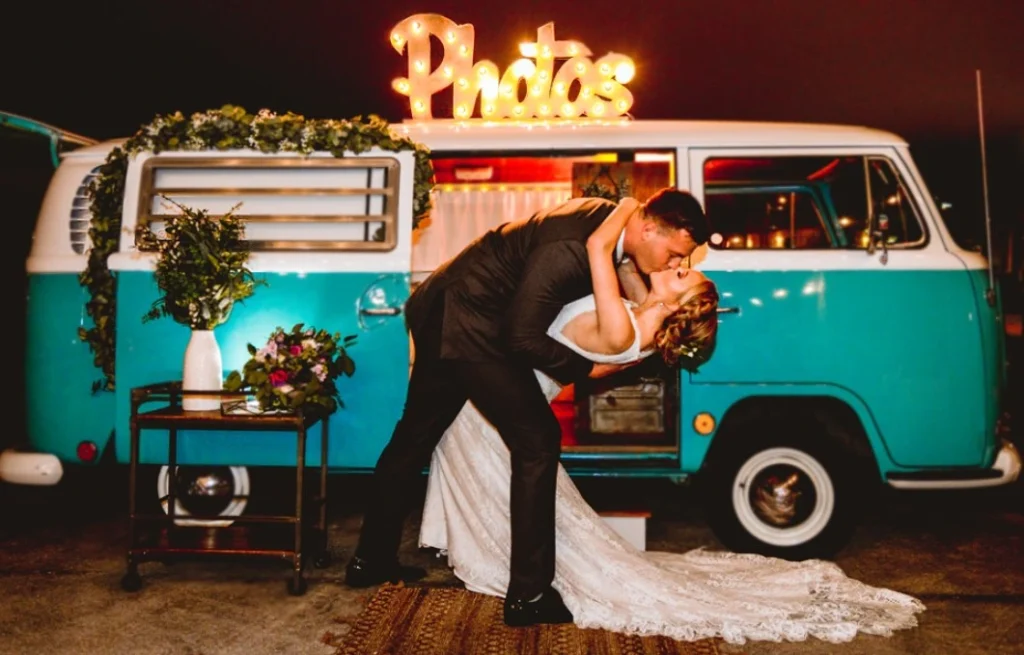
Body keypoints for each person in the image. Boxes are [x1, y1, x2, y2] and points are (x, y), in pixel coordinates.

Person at [418, 204, 926, 644]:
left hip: (503, 376)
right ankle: (522, 578)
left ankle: (523, 585)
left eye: (683, 273)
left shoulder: (624, 326)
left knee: (495, 453)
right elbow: (626, 267)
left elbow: (599, 252)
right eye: (680, 261)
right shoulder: (641, 313)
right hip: (505, 377)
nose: (678, 265)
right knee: (484, 455)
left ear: (674, 306)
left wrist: (624, 208)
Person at [345, 188, 710, 628]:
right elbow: (521, 337)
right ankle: (529, 595)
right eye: (674, 254)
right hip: (471, 320)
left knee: (415, 437)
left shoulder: (607, 226)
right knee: (537, 441)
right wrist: (584, 369)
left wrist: (630, 211)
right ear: (649, 229)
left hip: (447, 305)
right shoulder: (575, 250)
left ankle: (370, 560)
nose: (675, 264)